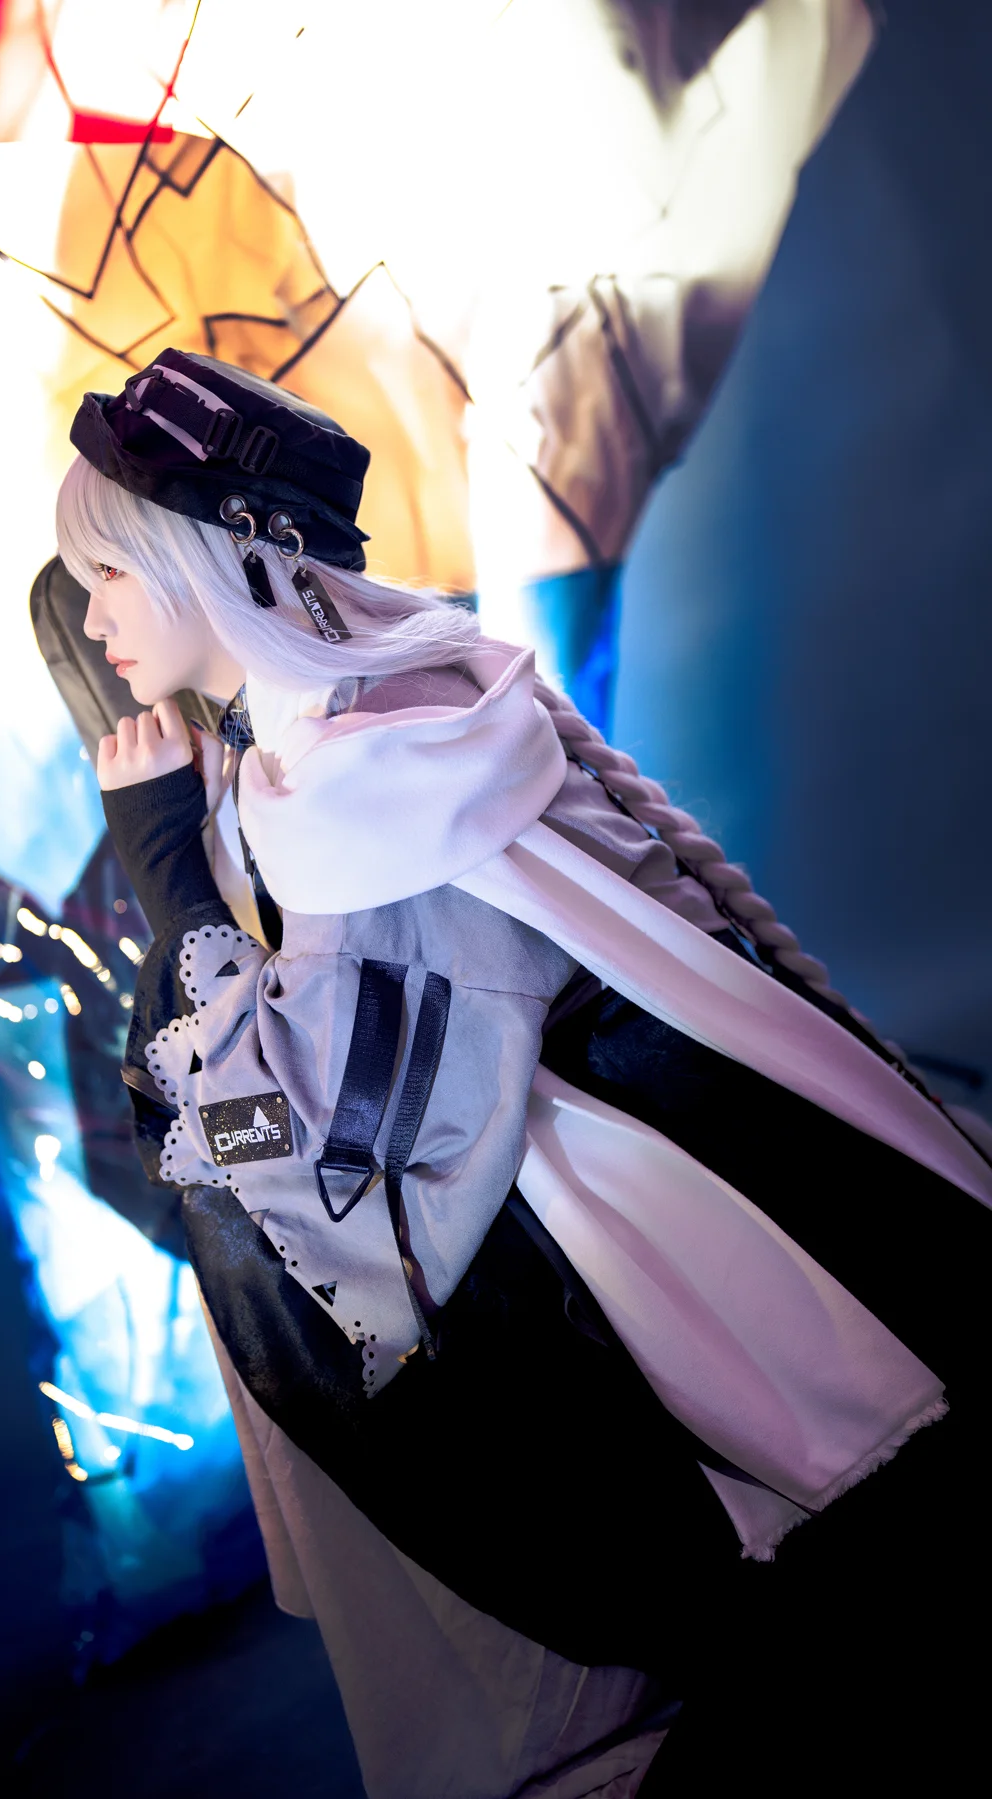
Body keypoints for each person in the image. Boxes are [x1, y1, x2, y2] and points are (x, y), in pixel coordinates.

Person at [55, 349, 991, 1797]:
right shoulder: (379, 712)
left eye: (112, 570)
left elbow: (310, 1151)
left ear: (215, 552)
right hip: (676, 1169)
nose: (95, 616)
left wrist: (170, 874)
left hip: (633, 1247)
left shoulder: (365, 781)